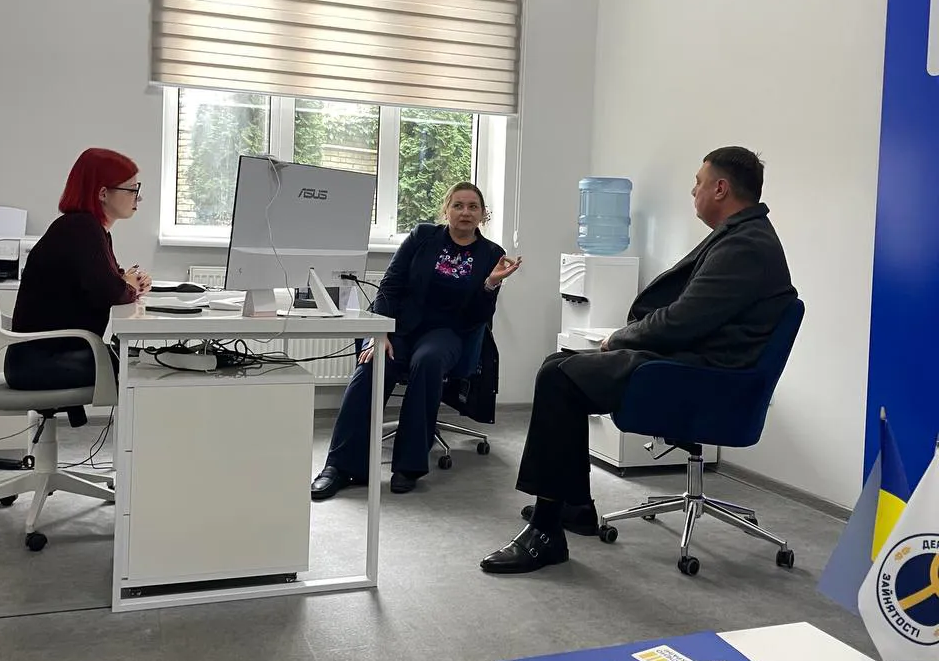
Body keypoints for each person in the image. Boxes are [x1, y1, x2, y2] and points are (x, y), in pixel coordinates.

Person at [481, 146, 797, 574]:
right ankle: (574, 505)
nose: (694, 191)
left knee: (560, 379)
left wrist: (620, 338)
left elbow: (682, 320)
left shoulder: (746, 246)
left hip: (708, 379)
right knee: (557, 365)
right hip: (701, 365)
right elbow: (692, 317)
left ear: (721, 188)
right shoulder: (744, 236)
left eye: (699, 183)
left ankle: (546, 533)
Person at [311, 182, 522, 497]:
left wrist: (490, 284)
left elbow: (479, 316)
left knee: (428, 361)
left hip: (448, 333)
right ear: (446, 210)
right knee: (373, 365)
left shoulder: (491, 254)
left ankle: (408, 467)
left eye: (473, 206)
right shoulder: (422, 236)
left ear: (483, 214)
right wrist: (380, 332)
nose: (465, 212)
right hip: (401, 326)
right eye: (458, 205)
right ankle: (340, 467)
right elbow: (391, 284)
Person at [5, 148, 152, 392]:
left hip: (47, 356)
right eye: (132, 190)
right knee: (147, 368)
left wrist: (126, 282)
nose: (139, 198)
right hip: (42, 362)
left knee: (143, 360)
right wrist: (129, 285)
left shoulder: (89, 229)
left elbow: (108, 280)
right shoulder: (81, 229)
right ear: (103, 193)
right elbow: (110, 291)